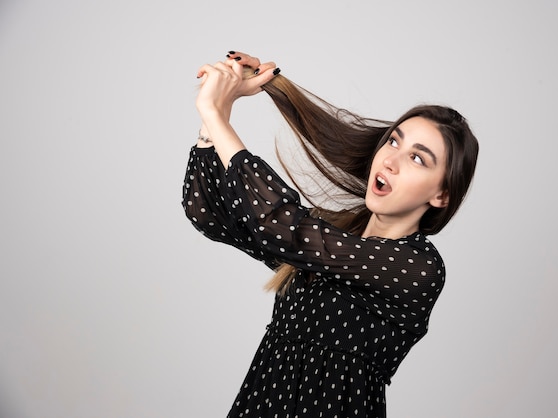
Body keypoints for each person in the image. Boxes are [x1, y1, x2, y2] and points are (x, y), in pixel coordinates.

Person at [182, 51, 479, 417]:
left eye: (418, 158)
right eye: (393, 141)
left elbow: (280, 225)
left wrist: (214, 112)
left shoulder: (418, 268)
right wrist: (214, 121)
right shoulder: (331, 235)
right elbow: (210, 214)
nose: (390, 160)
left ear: (441, 194)